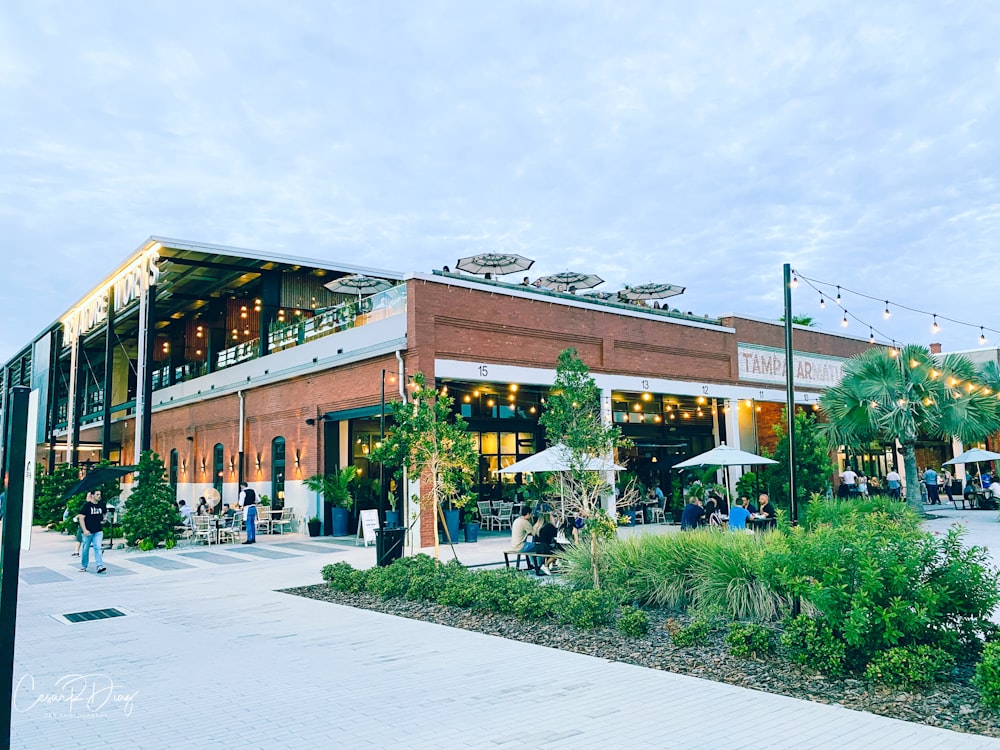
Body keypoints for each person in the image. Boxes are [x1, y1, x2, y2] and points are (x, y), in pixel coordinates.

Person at [78, 490, 107, 574]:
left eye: (100, 494)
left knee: (98, 547)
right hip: (88, 531)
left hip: (98, 530)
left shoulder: (101, 505)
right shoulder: (87, 506)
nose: (99, 496)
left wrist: (104, 519)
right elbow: (81, 518)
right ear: (92, 495)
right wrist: (84, 530)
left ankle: (99, 566)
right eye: (97, 494)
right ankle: (84, 566)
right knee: (85, 549)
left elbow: (105, 514)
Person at [511, 505, 543, 574]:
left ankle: (533, 563)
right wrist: (537, 525)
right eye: (531, 514)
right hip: (520, 546)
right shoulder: (525, 522)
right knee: (540, 547)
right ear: (528, 514)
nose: (531, 516)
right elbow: (534, 534)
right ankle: (539, 565)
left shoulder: (516, 520)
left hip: (514, 546)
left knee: (531, 546)